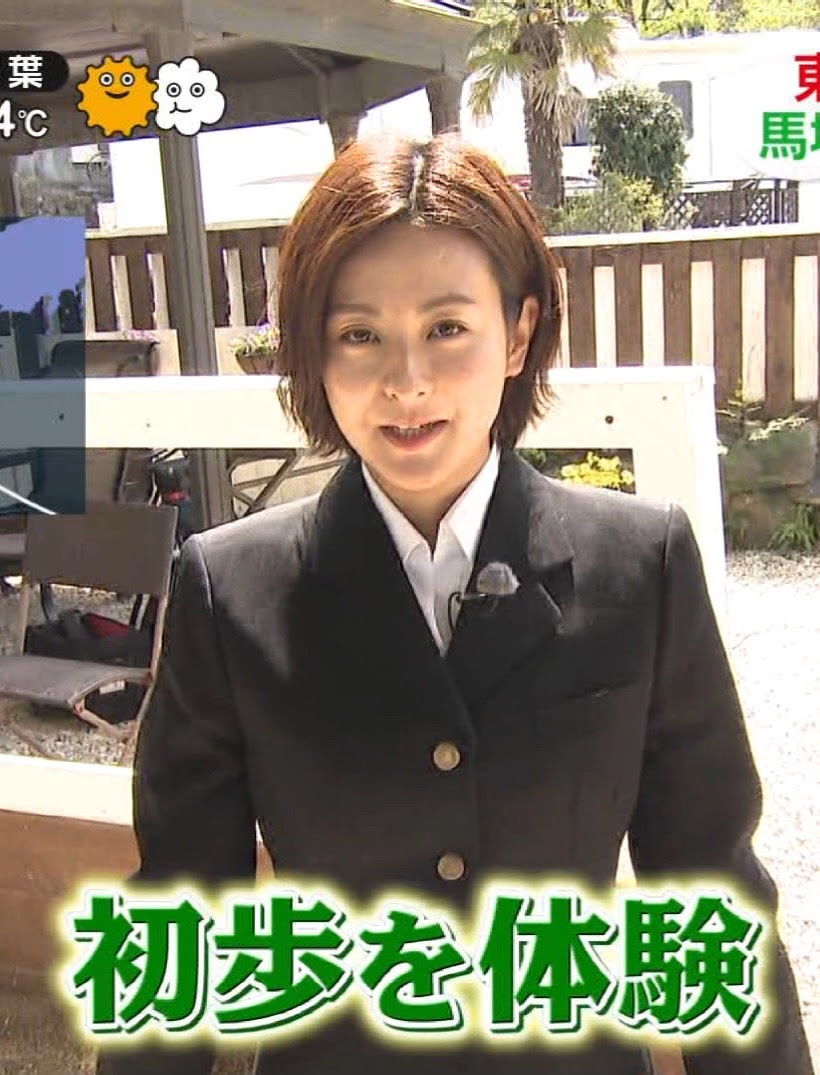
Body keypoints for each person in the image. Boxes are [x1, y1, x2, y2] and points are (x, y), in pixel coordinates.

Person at [97, 134, 813, 1075]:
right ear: (314, 348)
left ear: (517, 332)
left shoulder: (641, 566)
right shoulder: (229, 591)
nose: (406, 381)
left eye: (446, 328)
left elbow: (715, 896)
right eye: (360, 335)